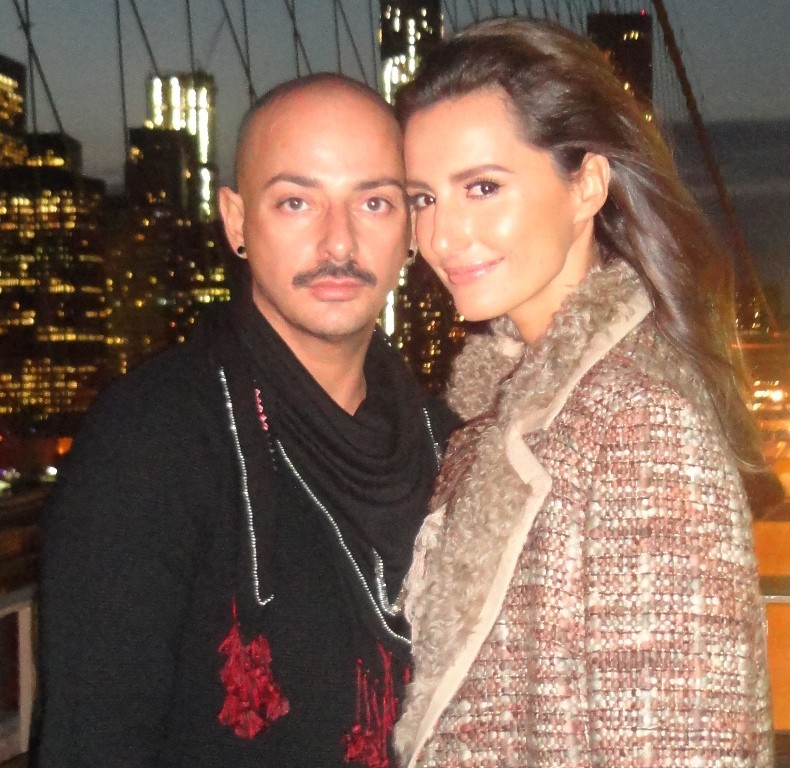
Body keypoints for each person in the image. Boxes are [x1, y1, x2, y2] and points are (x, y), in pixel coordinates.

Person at [33, 73, 454, 768]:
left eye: (374, 202)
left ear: (409, 228)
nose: (339, 242)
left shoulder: (452, 445)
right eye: (296, 201)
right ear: (235, 221)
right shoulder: (152, 443)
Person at [392, 18, 773, 768]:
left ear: (587, 186)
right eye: (424, 198)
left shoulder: (639, 425)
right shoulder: (508, 412)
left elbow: (688, 747)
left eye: (482, 187)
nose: (442, 236)